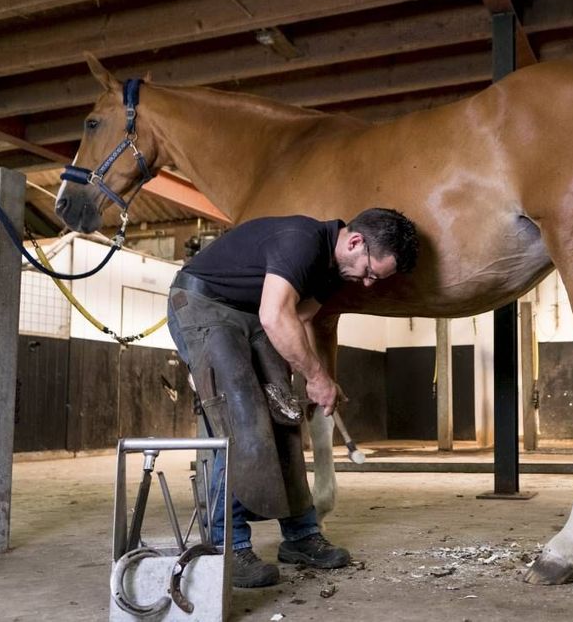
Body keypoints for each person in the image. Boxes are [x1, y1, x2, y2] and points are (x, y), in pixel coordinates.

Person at [166, 208, 418, 588]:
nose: (367, 284)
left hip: (253, 317)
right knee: (239, 418)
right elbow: (275, 315)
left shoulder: (334, 273)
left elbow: (298, 321)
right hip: (203, 305)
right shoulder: (301, 240)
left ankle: (301, 536)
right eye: (369, 272)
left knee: (285, 414)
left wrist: (319, 380)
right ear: (354, 242)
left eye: (375, 279)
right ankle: (227, 545)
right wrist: (316, 377)